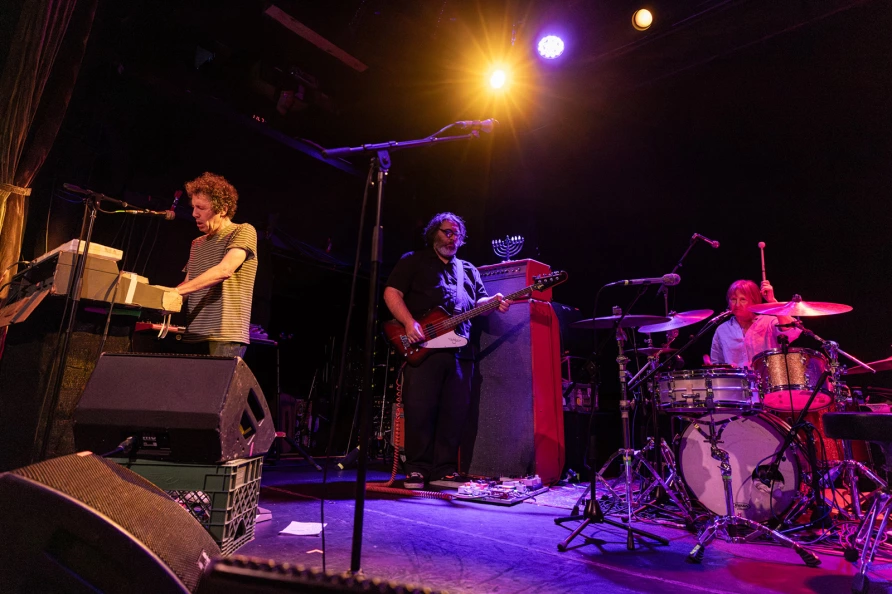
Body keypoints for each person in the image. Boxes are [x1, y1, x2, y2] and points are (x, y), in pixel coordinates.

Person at [384, 212, 511, 490]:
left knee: (454, 412)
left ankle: (444, 470)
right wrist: (408, 323)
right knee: (420, 409)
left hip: (461, 352)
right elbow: (392, 293)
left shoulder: (469, 269)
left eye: (457, 234)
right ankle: (416, 469)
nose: (452, 238)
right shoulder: (413, 261)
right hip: (423, 347)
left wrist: (494, 301)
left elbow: (480, 300)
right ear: (434, 233)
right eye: (447, 232)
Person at [173, 172, 258, 358]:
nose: (194, 213)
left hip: (225, 336)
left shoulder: (243, 231)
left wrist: (176, 292)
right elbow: (186, 287)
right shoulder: (197, 243)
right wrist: (156, 297)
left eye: (201, 207)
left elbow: (224, 270)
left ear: (223, 209)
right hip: (195, 334)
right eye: (193, 207)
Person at [709, 279, 801, 368]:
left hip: (767, 381)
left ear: (754, 301)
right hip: (735, 383)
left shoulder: (768, 323)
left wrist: (772, 301)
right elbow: (717, 363)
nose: (737, 304)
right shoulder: (722, 330)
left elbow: (791, 329)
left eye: (743, 299)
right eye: (733, 299)